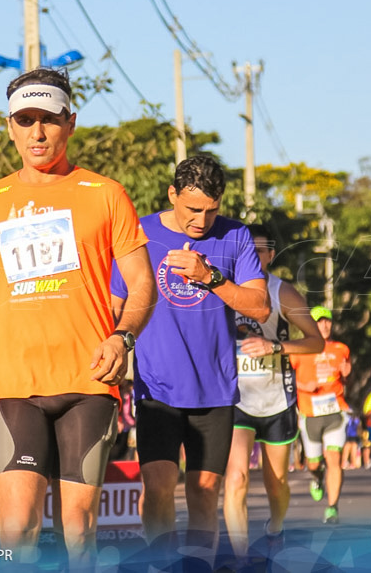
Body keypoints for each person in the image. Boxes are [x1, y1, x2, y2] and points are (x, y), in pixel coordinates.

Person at [0, 67, 155, 567]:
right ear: (10, 126)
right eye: (25, 120)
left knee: (78, 531)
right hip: (14, 385)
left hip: (87, 383)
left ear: (71, 122)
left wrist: (122, 338)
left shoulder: (105, 194)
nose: (37, 132)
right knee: (16, 530)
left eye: (49, 119)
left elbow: (144, 285)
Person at [111, 158, 270, 556]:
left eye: (212, 210)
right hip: (156, 385)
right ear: (172, 195)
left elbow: (260, 307)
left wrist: (210, 277)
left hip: (214, 388)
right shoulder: (140, 232)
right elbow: (114, 306)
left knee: (203, 494)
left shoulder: (235, 235)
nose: (202, 220)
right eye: (193, 209)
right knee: (159, 488)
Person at [220, 225, 320, 556]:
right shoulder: (222, 289)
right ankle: (240, 556)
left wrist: (274, 347)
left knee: (276, 485)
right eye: (246, 250)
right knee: (235, 480)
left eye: (259, 250)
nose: (252, 256)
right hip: (236, 400)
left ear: (270, 255)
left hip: (277, 400)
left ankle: (275, 526)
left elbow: (316, 342)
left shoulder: (282, 293)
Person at [287, 305, 348, 526]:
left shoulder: (341, 348)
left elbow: (345, 376)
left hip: (335, 411)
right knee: (314, 464)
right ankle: (316, 478)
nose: (324, 325)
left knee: (334, 459)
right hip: (309, 413)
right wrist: (304, 384)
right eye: (319, 321)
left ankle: (332, 507)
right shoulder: (298, 350)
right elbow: (287, 379)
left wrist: (347, 373)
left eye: (327, 321)